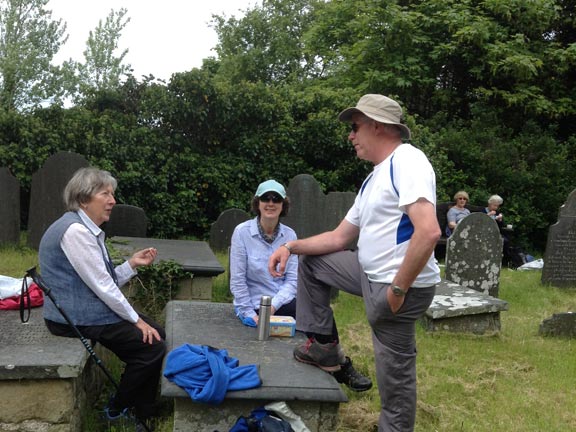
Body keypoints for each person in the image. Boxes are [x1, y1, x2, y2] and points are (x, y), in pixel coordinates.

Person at [268, 94, 441, 431]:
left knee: (395, 379)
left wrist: (397, 290)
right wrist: (291, 246)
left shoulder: (408, 161)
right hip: (368, 273)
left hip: (397, 286)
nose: (351, 135)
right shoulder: (375, 177)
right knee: (313, 262)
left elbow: (429, 231)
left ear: (378, 126)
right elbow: (339, 238)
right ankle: (324, 348)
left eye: (355, 126)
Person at [38, 167, 166, 427]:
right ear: (84, 199)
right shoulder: (75, 232)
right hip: (71, 318)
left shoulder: (85, 228)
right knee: (150, 345)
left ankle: (143, 407)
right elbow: (103, 287)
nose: (112, 201)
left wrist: (132, 264)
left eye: (112, 194)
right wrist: (135, 321)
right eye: (105, 194)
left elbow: (102, 279)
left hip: (86, 309)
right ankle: (117, 410)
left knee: (157, 333)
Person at [230, 179, 298, 326]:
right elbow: (237, 280)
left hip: (280, 303)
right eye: (265, 198)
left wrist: (272, 307)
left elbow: (292, 281)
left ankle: (328, 347)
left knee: (319, 314)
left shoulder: (290, 236)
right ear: (258, 203)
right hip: (252, 305)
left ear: (283, 205)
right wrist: (248, 312)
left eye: (277, 199)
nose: (271, 203)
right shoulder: (242, 232)